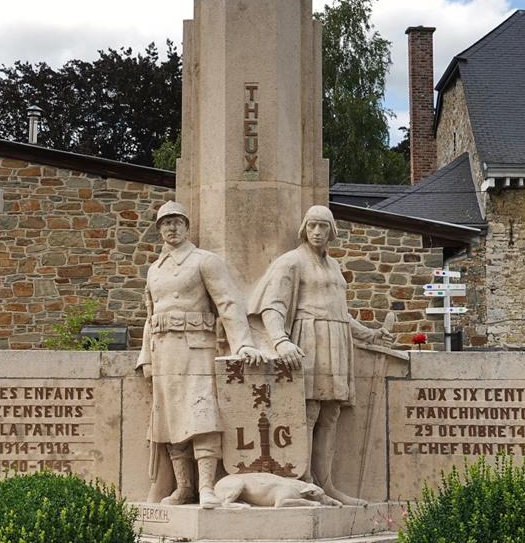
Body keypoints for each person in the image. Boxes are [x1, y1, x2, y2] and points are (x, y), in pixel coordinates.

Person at [248, 205, 388, 505]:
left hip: (336, 339)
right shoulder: (291, 262)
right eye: (312, 225)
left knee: (331, 412)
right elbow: (273, 306)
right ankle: (304, 481)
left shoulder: (334, 266)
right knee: (308, 411)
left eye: (323, 226)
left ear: (331, 231)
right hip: (308, 337)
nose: (317, 231)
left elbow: (341, 313)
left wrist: (370, 334)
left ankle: (327, 484)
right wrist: (281, 341)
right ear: (304, 228)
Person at [136, 201, 262, 507]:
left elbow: (228, 303)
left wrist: (243, 343)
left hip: (196, 347)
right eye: (166, 223)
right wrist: (146, 357)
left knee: (201, 415)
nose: (172, 228)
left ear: (187, 227)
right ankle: (185, 488)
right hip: (164, 351)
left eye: (178, 222)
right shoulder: (155, 269)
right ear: (159, 229)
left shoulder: (204, 260)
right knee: (169, 421)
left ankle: (207, 486)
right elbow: (150, 316)